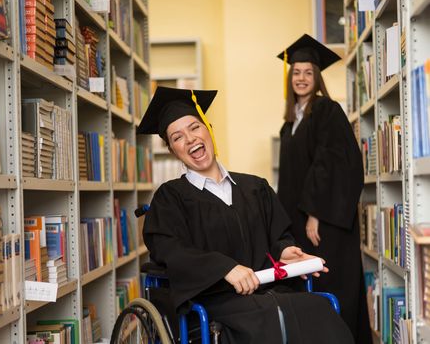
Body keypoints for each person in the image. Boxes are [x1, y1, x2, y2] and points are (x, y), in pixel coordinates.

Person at [137, 86, 354, 344]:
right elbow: (169, 250)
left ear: (209, 129)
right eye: (177, 137)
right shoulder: (170, 197)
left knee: (320, 311)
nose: (190, 139)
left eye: (195, 127)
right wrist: (224, 269)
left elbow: (279, 234)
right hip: (216, 302)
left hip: (270, 291)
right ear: (173, 150)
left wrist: (285, 251)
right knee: (264, 324)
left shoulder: (255, 187)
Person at [276, 34, 371, 343]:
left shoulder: (327, 110)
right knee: (308, 289)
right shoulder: (289, 123)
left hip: (325, 223)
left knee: (333, 286)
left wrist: (316, 212)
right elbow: (290, 178)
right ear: (290, 78)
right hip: (301, 223)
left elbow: (335, 163)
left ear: (317, 77)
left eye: (308, 72)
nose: (302, 78)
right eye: (297, 72)